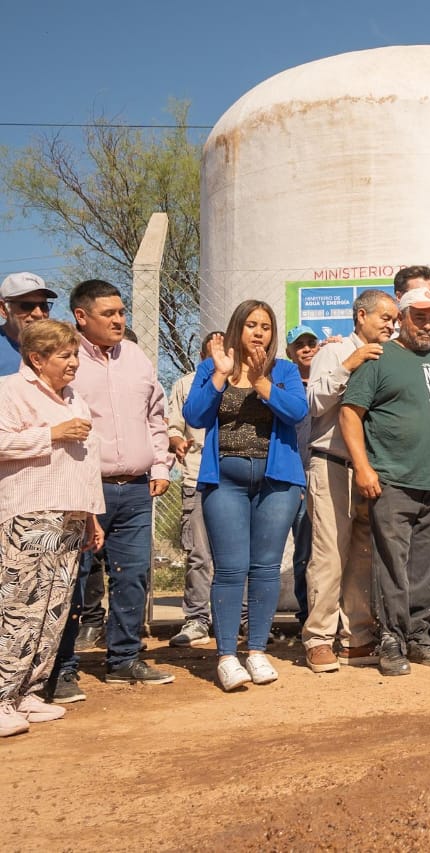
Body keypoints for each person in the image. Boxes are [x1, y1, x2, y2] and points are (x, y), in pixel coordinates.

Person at [48, 279, 174, 703]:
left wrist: (160, 464)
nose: (120, 320)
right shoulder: (66, 361)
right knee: (73, 579)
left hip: (136, 489)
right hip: (82, 490)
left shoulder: (136, 357)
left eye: (122, 312)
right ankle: (62, 668)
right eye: (110, 314)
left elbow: (156, 416)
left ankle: (123, 659)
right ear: (81, 317)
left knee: (133, 574)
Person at [341, 286, 430, 676]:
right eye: (420, 317)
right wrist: (363, 466)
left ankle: (418, 634)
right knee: (392, 563)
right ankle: (391, 639)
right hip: (392, 479)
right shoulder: (380, 358)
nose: (427, 325)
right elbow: (350, 413)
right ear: (403, 319)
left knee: (425, 566)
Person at [184, 300, 307, 691]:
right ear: (237, 328)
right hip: (225, 483)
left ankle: (256, 651)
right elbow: (195, 415)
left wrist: (261, 383)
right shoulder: (212, 367)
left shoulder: (283, 370)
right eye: (251, 325)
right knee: (232, 567)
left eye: (266, 327)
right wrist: (221, 376)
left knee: (266, 567)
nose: (259, 332)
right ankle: (226, 657)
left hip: (278, 482)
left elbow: (297, 411)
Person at [0, 320, 105, 736]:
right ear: (36, 358)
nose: (74, 362)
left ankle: (29, 692)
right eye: (64, 355)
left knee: (54, 608)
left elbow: (85, 461)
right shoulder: (10, 390)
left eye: (75, 354)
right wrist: (52, 433)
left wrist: (91, 515)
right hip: (30, 513)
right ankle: (1, 695)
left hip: (70, 514)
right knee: (21, 608)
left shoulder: (74, 398)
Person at [301, 289, 399, 673]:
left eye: (393, 319)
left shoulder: (389, 355)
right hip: (331, 462)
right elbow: (314, 404)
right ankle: (319, 639)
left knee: (361, 555)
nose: (390, 324)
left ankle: (356, 636)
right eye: (384, 317)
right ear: (361, 316)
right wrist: (350, 363)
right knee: (330, 554)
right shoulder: (334, 350)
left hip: (369, 469)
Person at [167, 333, 219, 648]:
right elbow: (173, 426)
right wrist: (177, 442)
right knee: (199, 554)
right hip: (197, 476)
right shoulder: (186, 385)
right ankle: (197, 619)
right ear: (202, 356)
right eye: (212, 352)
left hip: (231, 479)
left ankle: (241, 619)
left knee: (236, 556)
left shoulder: (242, 380)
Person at [284, 324, 319, 627]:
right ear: (290, 353)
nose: (307, 349)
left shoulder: (328, 382)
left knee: (324, 551)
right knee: (303, 551)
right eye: (300, 345)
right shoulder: (283, 385)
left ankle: (325, 615)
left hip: (322, 473)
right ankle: (306, 615)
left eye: (311, 343)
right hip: (293, 474)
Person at [0, 272, 57, 377]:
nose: (38, 314)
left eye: (43, 305)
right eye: (26, 305)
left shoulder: (58, 345)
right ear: (3, 309)